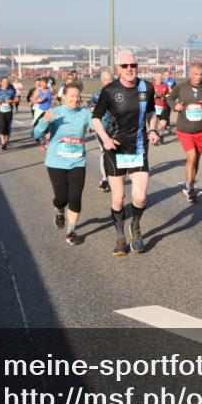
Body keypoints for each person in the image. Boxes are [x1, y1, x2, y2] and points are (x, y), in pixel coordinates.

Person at [91, 50, 160, 256]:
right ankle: (120, 236)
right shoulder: (110, 91)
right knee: (119, 198)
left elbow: (150, 112)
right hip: (115, 148)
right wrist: (105, 139)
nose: (130, 69)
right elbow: (96, 118)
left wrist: (154, 129)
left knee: (139, 198)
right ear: (118, 69)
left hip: (138, 146)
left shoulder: (146, 87)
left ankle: (135, 227)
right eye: (125, 66)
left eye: (133, 65)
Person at [33, 82, 92, 245]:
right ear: (63, 97)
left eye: (78, 96)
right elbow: (36, 133)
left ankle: (71, 231)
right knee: (62, 198)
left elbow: (100, 127)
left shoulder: (84, 113)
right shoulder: (55, 113)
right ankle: (59, 211)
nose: (76, 99)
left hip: (78, 162)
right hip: (56, 162)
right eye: (72, 96)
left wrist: (102, 116)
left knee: (75, 197)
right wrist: (45, 121)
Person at [168, 62, 202, 204]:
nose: (198, 77)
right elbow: (170, 98)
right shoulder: (181, 87)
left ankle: (188, 182)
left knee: (196, 159)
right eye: (195, 74)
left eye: (201, 74)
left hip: (201, 130)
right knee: (191, 157)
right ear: (190, 74)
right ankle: (191, 188)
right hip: (184, 129)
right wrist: (175, 106)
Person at [87, 69, 114, 192]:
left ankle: (116, 176)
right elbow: (90, 109)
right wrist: (89, 125)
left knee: (115, 153)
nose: (108, 82)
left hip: (117, 128)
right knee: (104, 151)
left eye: (110, 79)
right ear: (102, 81)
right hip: (101, 128)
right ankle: (105, 179)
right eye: (105, 80)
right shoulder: (97, 95)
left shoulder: (120, 93)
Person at [0, 77, 18, 150]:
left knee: (7, 127)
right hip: (0, 110)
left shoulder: (12, 90)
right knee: (2, 126)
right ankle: (3, 142)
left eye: (7, 82)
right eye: (4, 82)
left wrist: (12, 101)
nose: (5, 83)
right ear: (1, 83)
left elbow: (16, 99)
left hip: (9, 111)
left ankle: (6, 141)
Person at [152, 72, 172, 141]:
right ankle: (155, 135)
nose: (160, 79)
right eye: (158, 77)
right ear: (155, 78)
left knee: (163, 123)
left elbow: (169, 95)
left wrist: (164, 97)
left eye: (161, 77)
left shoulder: (165, 85)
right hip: (153, 107)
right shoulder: (151, 85)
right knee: (154, 123)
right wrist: (153, 95)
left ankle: (160, 134)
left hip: (162, 107)